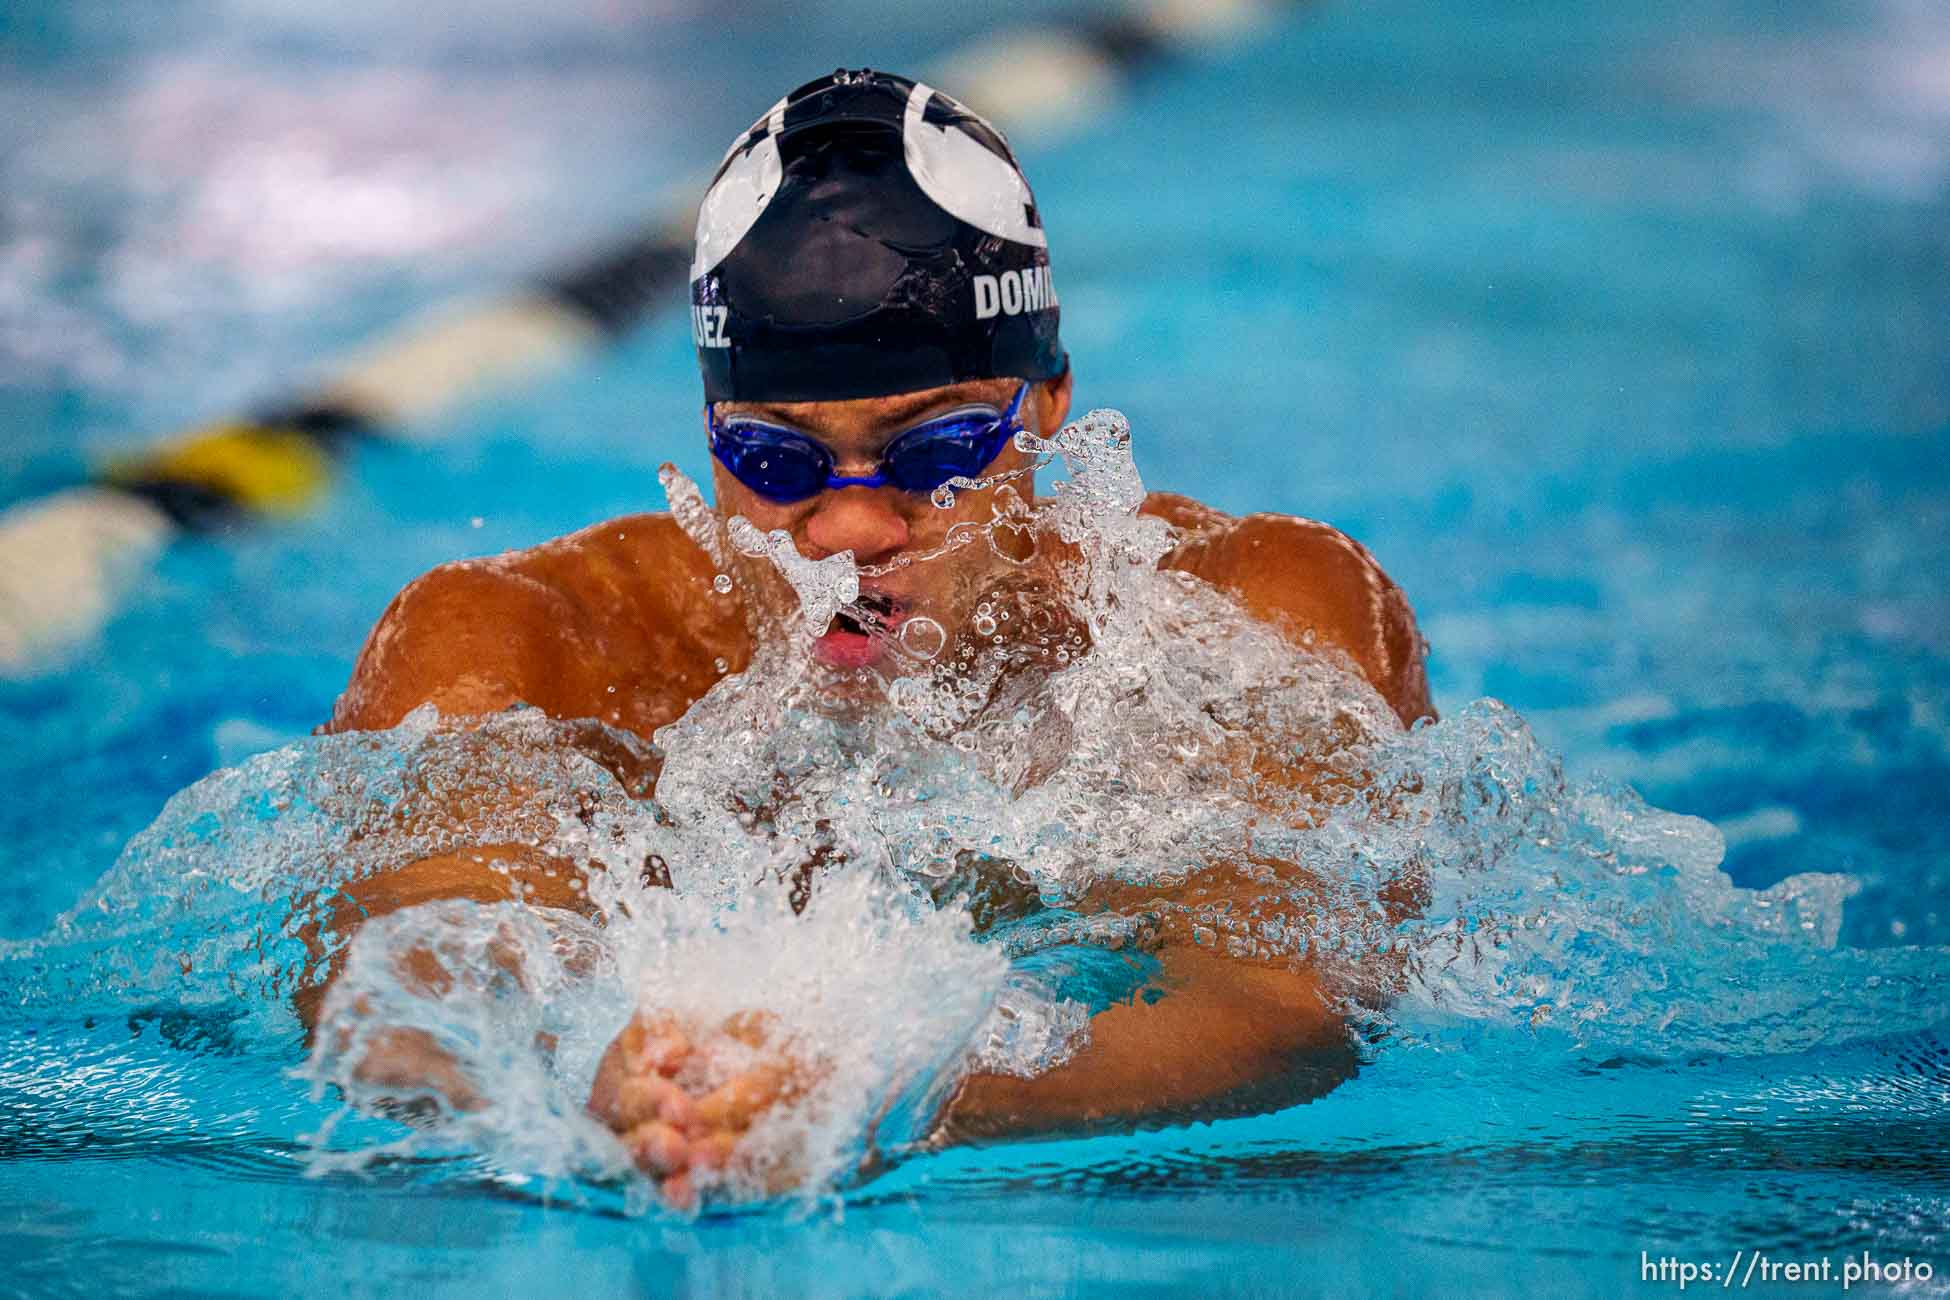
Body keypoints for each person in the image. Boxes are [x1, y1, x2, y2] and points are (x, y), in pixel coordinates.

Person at [314, 69, 1434, 1207]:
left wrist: (903, 1086)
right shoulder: (522, 643)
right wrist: (581, 1068)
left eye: (934, 449)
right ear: (709, 438)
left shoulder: (1250, 613)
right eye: (777, 462)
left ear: (1045, 400)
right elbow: (406, 965)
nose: (850, 527)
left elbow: (1284, 996)